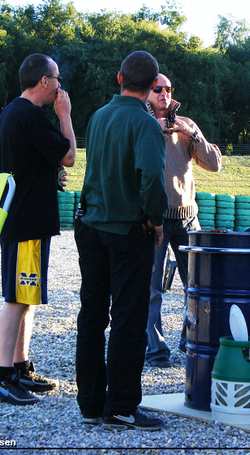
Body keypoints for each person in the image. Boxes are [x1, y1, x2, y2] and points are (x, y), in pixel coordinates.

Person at [74, 51, 168, 431]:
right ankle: (122, 406)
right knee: (128, 319)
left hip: (92, 226)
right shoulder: (146, 124)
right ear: (151, 87)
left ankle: (91, 402)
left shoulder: (99, 116)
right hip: (128, 231)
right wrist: (155, 220)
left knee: (92, 316)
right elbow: (151, 179)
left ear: (119, 78)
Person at [0, 53, 76, 405]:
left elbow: (40, 163)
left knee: (26, 297)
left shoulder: (12, 112)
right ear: (44, 81)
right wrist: (64, 115)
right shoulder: (33, 116)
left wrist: (49, 174)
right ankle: (3, 375)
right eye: (57, 79)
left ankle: (21, 366)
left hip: (18, 217)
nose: (60, 85)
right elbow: (69, 154)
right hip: (27, 222)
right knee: (17, 297)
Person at [145, 73, 222, 368]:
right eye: (157, 89)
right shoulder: (142, 123)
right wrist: (160, 127)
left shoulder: (187, 124)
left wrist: (192, 134)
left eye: (168, 89)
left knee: (199, 287)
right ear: (147, 92)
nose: (164, 93)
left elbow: (214, 165)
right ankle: (155, 350)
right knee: (151, 290)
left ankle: (193, 341)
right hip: (153, 220)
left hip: (188, 220)